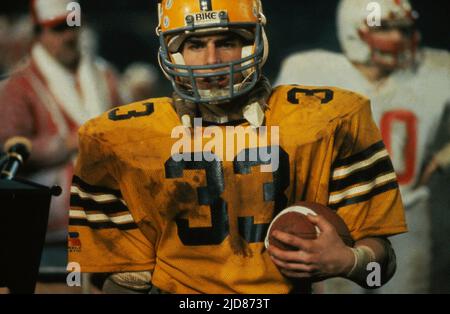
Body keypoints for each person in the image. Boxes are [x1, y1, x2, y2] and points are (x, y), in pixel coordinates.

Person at [69, 0, 406, 294]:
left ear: (254, 42)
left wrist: (348, 261)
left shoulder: (327, 119)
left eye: (227, 41)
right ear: (173, 52)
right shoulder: (119, 138)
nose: (212, 59)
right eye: (196, 44)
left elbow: (382, 268)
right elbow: (111, 280)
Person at [275, 0, 450, 293]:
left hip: (407, 213)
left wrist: (441, 159)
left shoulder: (435, 69)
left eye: (403, 28)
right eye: (386, 28)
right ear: (352, 30)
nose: (398, 38)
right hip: (339, 218)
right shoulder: (310, 70)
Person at [0, 0, 122, 241]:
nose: (69, 36)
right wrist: (67, 143)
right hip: (53, 215)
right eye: (58, 29)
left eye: (73, 27)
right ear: (38, 34)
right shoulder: (19, 86)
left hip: (112, 205)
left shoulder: (104, 76)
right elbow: (8, 151)